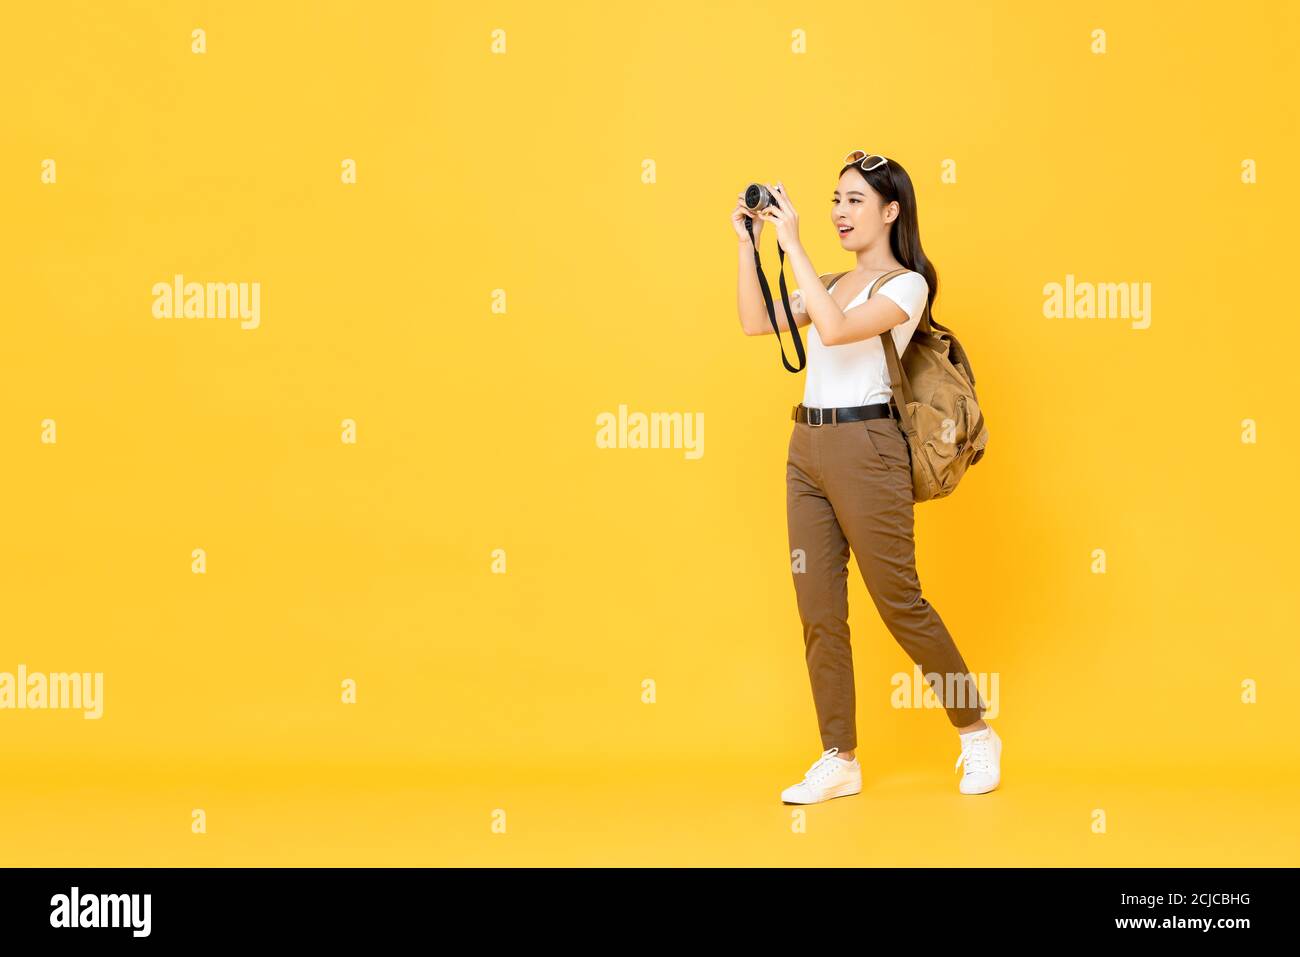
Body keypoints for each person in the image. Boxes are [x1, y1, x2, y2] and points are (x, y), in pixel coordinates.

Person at [731, 151, 1001, 803]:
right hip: (807, 449)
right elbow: (754, 319)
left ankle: (976, 731)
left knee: (900, 602)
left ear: (890, 211)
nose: (839, 212)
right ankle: (839, 755)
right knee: (818, 609)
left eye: (855, 200)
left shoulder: (905, 286)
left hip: (868, 446)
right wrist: (750, 244)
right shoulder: (829, 280)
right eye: (835, 199)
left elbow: (836, 326)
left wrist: (792, 242)